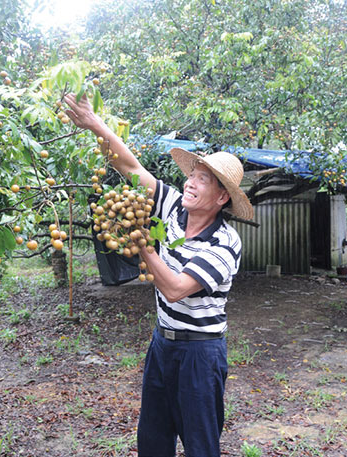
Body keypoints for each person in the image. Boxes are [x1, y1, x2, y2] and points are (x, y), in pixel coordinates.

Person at [64, 93, 254, 457]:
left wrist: (142, 244)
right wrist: (93, 124)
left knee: (200, 446)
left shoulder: (225, 243)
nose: (190, 183)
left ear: (220, 199)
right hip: (162, 345)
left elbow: (176, 289)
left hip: (201, 354)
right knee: (152, 442)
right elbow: (131, 168)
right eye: (192, 176)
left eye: (203, 181)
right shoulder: (172, 210)